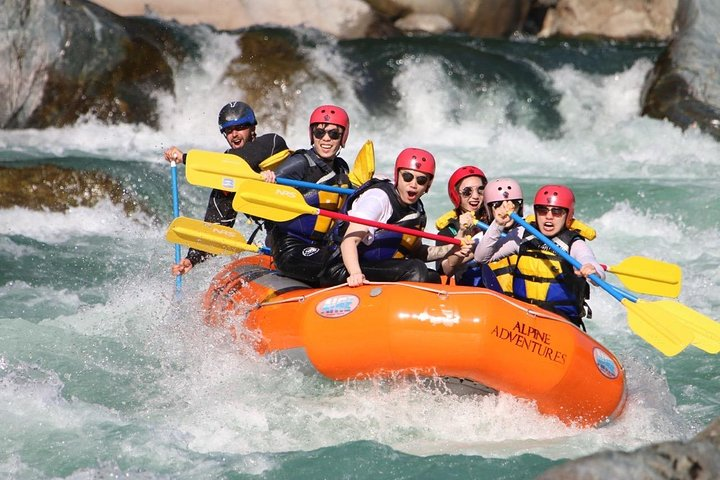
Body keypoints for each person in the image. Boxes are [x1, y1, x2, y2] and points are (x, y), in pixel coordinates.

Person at [164, 101, 287, 276]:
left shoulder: (272, 143)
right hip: (280, 239)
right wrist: (192, 258)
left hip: (310, 225)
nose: (234, 134)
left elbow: (243, 159)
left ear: (253, 128)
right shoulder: (229, 178)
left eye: (241, 127)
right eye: (229, 130)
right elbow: (216, 222)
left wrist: (186, 158)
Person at [320, 148, 468, 287]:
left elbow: (418, 252)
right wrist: (356, 274)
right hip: (342, 267)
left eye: (421, 180)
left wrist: (452, 248)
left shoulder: (417, 209)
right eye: (408, 177)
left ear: (428, 185)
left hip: (375, 266)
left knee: (432, 277)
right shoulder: (378, 198)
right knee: (416, 270)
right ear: (398, 176)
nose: (413, 185)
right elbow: (349, 241)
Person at [474, 183, 604, 329]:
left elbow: (591, 263)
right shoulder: (523, 235)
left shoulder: (573, 243)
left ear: (568, 216)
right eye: (542, 210)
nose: (548, 217)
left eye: (556, 212)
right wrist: (498, 224)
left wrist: (592, 270)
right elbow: (481, 257)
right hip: (522, 320)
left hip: (559, 324)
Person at [260, 104, 353, 285]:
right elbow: (265, 201)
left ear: (343, 137)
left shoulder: (341, 168)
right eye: (319, 133)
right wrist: (267, 181)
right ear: (312, 135)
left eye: (334, 134)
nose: (326, 139)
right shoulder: (299, 163)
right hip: (291, 247)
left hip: (324, 245)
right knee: (339, 264)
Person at [435, 165, 489, 286]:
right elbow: (446, 270)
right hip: (468, 288)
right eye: (467, 192)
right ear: (456, 195)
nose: (475, 196)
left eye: (480, 190)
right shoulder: (448, 231)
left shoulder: (494, 221)